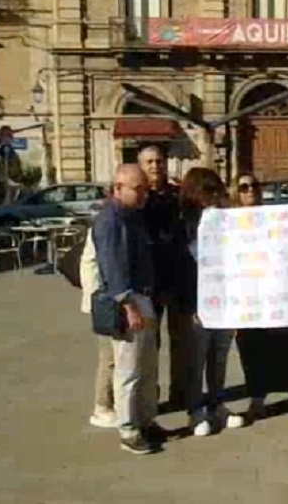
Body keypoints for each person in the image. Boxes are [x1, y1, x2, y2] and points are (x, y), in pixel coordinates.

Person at [230, 173, 288, 423]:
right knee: (251, 347)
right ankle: (257, 398)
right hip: (247, 295)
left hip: (274, 291)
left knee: (287, 345)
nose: (250, 191)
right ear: (236, 192)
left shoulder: (273, 218)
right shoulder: (228, 221)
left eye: (254, 186)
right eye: (244, 187)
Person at [93, 164, 161, 454]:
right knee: (128, 369)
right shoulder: (110, 220)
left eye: (145, 187)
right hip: (128, 302)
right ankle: (128, 429)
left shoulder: (132, 216)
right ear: (117, 187)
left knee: (147, 367)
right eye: (137, 188)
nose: (143, 193)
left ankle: (146, 421)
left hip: (144, 298)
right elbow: (112, 267)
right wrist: (128, 305)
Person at [173, 168, 245, 436]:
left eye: (217, 192)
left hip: (225, 299)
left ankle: (217, 403)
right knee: (197, 358)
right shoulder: (185, 226)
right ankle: (195, 409)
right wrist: (190, 305)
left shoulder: (226, 221)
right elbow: (181, 268)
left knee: (220, 355)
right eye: (209, 192)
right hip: (197, 304)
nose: (214, 198)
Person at [136, 144, 185, 409]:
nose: (155, 166)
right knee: (148, 345)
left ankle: (180, 392)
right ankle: (150, 398)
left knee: (181, 341)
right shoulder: (138, 199)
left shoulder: (177, 195)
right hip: (148, 284)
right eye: (149, 162)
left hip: (176, 279)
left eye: (159, 161)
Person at [81, 218, 116, 429]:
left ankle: (111, 403)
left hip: (103, 300)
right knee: (109, 358)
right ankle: (102, 406)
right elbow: (94, 266)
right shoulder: (105, 225)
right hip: (104, 302)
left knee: (114, 357)